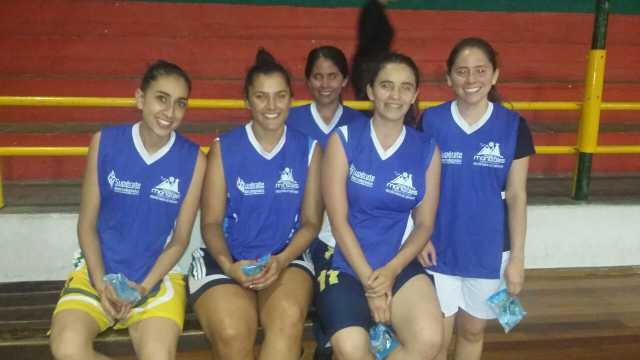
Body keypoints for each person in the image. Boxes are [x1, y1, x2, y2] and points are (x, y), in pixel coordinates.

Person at [49, 60, 206, 360]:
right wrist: (101, 282)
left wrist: (141, 289)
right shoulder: (105, 142)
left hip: (155, 279)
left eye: (180, 103)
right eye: (161, 98)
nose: (170, 112)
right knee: (67, 349)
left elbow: (179, 240)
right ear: (140, 98)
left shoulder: (194, 160)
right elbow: (87, 224)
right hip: (98, 272)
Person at [187, 48, 323, 360]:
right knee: (233, 334)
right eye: (261, 96)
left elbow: (311, 222)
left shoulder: (309, 149)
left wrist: (283, 259)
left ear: (291, 99)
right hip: (226, 258)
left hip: (285, 256)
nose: (271, 105)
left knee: (287, 321)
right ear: (247, 101)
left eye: (280, 96)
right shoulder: (224, 148)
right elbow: (210, 222)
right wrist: (228, 266)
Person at [317, 52, 443, 359]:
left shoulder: (426, 149)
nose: (395, 95)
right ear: (371, 90)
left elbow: (425, 223)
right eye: (386, 85)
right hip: (344, 260)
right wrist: (372, 285)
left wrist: (391, 270)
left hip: (395, 261)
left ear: (415, 95)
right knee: (352, 349)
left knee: (429, 340)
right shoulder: (344, 139)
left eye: (405, 87)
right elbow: (338, 220)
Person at [418, 37, 535, 360]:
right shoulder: (430, 121)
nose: (471, 80)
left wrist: (518, 260)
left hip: (488, 249)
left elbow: (516, 194)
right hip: (436, 247)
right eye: (462, 71)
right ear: (448, 77)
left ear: (495, 75)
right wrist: (419, 235)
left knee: (472, 331)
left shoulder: (513, 126)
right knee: (436, 340)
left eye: (480, 70)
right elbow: (417, 186)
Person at [286, 45, 367, 359]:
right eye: (317, 76)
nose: (325, 83)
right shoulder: (290, 120)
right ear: (307, 80)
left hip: (343, 228)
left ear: (345, 79)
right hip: (299, 228)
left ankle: (331, 343)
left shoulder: (360, 124)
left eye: (333, 76)